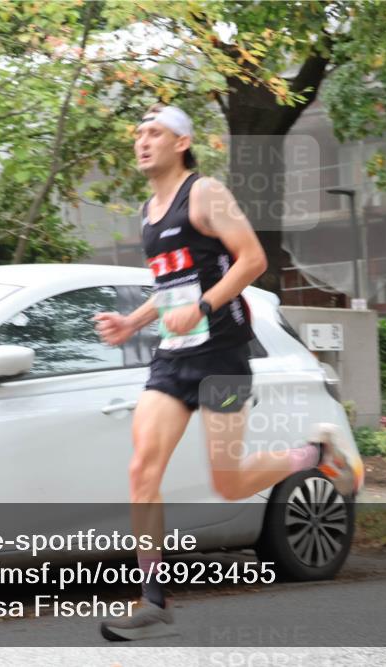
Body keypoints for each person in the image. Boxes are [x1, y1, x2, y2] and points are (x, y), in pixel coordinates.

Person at [93, 104, 361, 641]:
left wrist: (208, 308)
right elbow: (172, 284)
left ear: (182, 142)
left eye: (155, 133)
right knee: (142, 469)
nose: (142, 141)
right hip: (174, 355)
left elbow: (252, 260)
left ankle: (315, 455)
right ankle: (153, 599)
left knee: (229, 480)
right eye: (139, 133)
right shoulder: (150, 210)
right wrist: (133, 320)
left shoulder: (206, 193)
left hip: (224, 357)